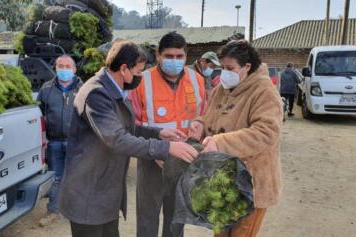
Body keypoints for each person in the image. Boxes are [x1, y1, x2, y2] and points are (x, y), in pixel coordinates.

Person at [57, 40, 199, 237]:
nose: (140, 76)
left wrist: (157, 133)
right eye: (138, 72)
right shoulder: (96, 93)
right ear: (124, 69)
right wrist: (166, 148)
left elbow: (126, 128)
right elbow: (117, 139)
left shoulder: (112, 89)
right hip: (88, 192)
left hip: (104, 189)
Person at [189, 40, 283, 237]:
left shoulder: (264, 91)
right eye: (222, 67)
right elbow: (209, 115)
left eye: (229, 68)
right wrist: (199, 123)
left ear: (247, 67)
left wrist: (221, 142)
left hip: (251, 182)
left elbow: (266, 132)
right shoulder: (220, 89)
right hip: (221, 181)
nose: (224, 73)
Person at [129, 32, 206, 237]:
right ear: (158, 55)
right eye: (169, 56)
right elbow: (132, 124)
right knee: (147, 218)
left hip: (183, 162)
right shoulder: (141, 81)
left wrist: (201, 125)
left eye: (179, 56)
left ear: (186, 56)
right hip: (152, 160)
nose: (175, 60)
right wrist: (156, 150)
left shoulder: (196, 80)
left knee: (176, 220)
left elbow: (205, 115)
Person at [37, 55, 82, 214]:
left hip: (76, 143)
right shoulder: (46, 89)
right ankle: (53, 211)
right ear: (55, 68)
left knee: (77, 177)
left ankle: (75, 210)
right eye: (60, 66)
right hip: (54, 142)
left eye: (68, 67)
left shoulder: (83, 90)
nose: (64, 70)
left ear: (74, 69)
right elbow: (39, 116)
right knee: (56, 178)